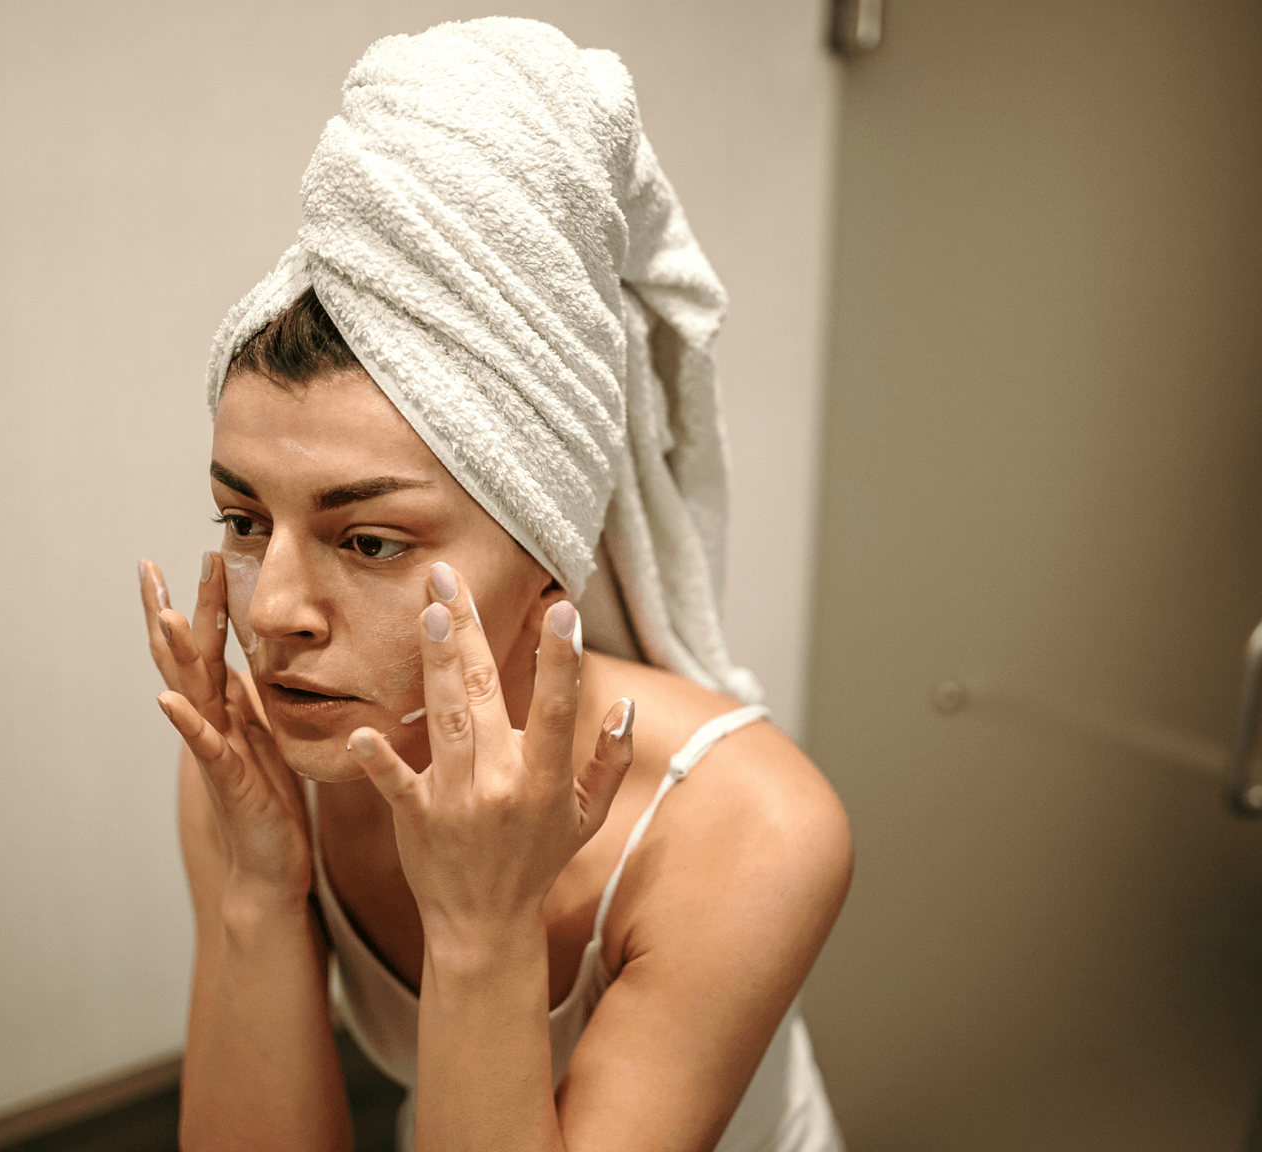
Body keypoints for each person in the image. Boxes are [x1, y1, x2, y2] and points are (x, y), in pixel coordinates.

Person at [136, 18, 852, 1152]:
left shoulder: (748, 828)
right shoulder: (263, 764)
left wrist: (481, 929)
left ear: (545, 555)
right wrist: (260, 892)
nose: (269, 614)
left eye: (371, 541)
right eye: (243, 521)